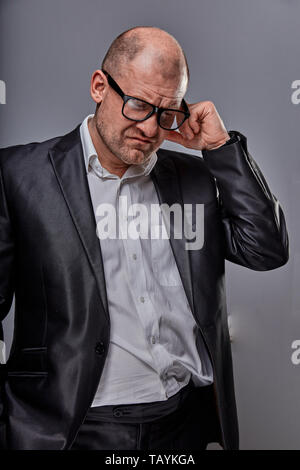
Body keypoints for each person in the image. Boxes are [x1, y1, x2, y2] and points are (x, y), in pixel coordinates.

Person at [0, 26, 289, 451]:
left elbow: (265, 249)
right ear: (100, 86)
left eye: (167, 112)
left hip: (182, 421)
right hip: (73, 427)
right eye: (138, 104)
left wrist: (221, 148)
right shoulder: (20, 175)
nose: (151, 128)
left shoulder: (192, 179)